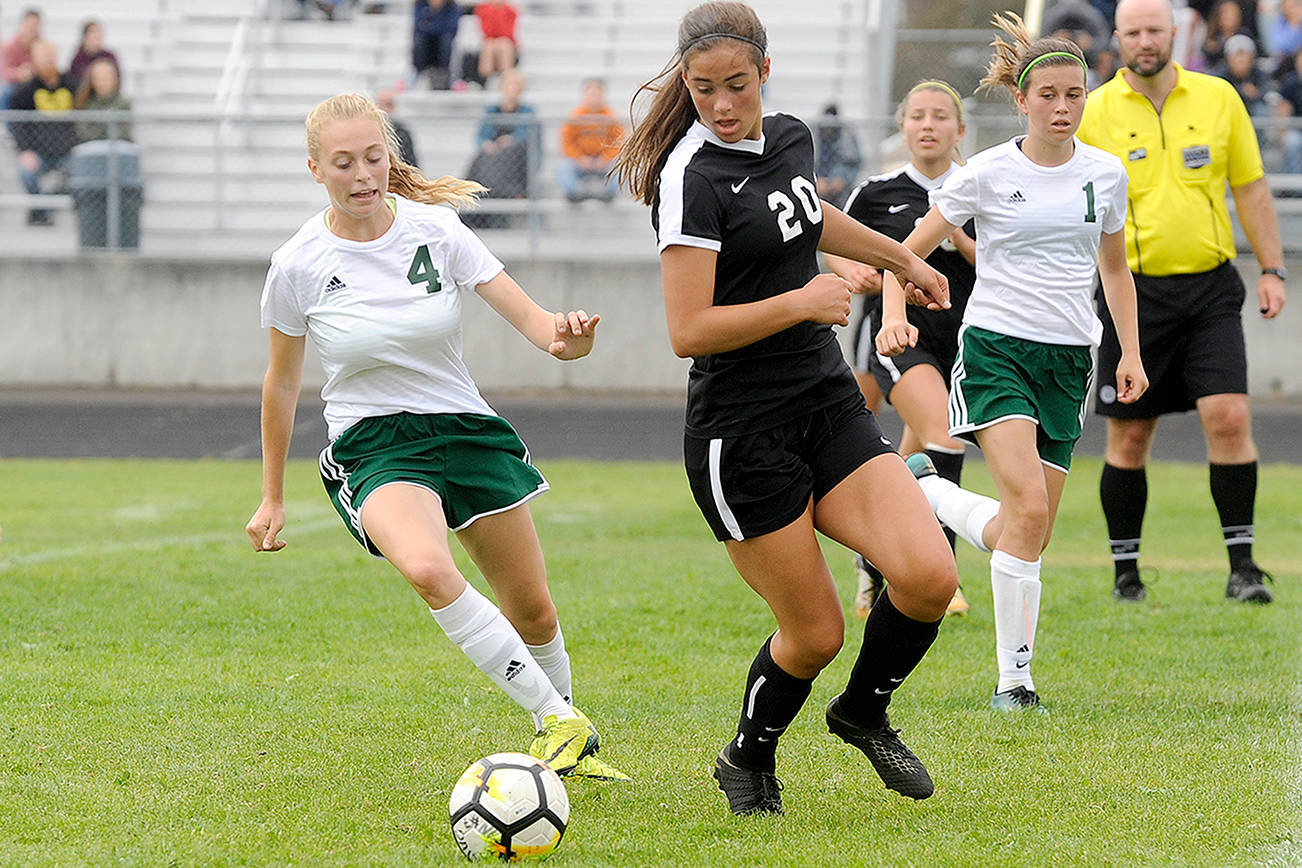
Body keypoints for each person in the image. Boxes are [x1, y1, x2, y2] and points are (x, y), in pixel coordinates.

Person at [615, 1, 958, 815]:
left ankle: (862, 711)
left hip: (825, 402)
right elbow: (689, 330)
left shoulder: (792, 137)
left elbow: (807, 213)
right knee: (816, 634)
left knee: (928, 577)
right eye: (703, 89)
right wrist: (803, 302)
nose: (721, 104)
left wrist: (902, 259)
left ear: (765, 71)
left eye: (737, 84)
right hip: (742, 436)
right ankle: (747, 759)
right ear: (685, 83)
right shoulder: (690, 179)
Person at [246, 92, 627, 782]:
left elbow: (540, 326)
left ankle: (567, 750)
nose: (363, 174)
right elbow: (281, 382)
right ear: (315, 169)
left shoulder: (437, 229)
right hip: (376, 446)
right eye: (343, 163)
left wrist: (569, 341)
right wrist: (271, 496)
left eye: (373, 157)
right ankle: (560, 719)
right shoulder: (297, 263)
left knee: (534, 611)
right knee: (427, 569)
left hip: (464, 429)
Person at [877, 13, 1147, 712]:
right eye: (1048, 95)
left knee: (1030, 530)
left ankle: (931, 494)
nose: (1062, 107)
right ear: (1021, 100)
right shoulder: (989, 172)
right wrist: (895, 311)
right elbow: (904, 252)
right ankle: (1014, 683)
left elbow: (1115, 270)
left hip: (1072, 360)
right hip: (996, 349)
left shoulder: (1106, 174)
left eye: (1074, 95)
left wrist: (1129, 352)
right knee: (1026, 507)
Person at [1077, 0, 1286, 604]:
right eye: (1133, 32)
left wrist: (1272, 269)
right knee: (1130, 437)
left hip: (1211, 289)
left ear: (1176, 33)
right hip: (1132, 296)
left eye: (1155, 30)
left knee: (1230, 417)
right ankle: (1126, 576)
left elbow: (1251, 187)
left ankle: (1244, 571)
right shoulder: (1094, 112)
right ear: (1118, 38)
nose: (1145, 40)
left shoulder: (1219, 97)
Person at [826, 80, 977, 621]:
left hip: (968, 341)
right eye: (917, 116)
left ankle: (875, 564)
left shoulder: (981, 188)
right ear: (902, 127)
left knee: (909, 467)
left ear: (960, 130)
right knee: (943, 435)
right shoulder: (876, 191)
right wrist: (854, 272)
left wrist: (959, 240)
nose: (928, 125)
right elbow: (831, 243)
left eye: (940, 116)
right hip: (899, 337)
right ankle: (943, 578)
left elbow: (1003, 264)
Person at [9, 39, 77, 226]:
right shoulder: (26, 89)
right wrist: (25, 150)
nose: (48, 60)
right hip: (38, 152)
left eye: (51, 56)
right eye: (44, 57)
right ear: (34, 60)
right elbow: (17, 123)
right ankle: (42, 208)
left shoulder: (72, 84)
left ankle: (41, 208)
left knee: (81, 171)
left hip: (66, 151)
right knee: (26, 173)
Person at [464, 68, 538, 226]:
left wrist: (510, 140)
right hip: (492, 161)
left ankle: (489, 196)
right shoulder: (492, 110)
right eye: (509, 86)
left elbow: (527, 137)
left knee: (507, 153)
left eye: (516, 87)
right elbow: (482, 136)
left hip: (515, 164)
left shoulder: (528, 112)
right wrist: (487, 144)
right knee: (484, 157)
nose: (512, 90)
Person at [557, 78, 624, 203]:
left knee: (620, 168)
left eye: (597, 93)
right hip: (580, 161)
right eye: (590, 93)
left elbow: (619, 142)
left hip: (604, 161)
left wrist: (605, 158)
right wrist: (580, 158)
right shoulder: (575, 116)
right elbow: (566, 143)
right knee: (563, 168)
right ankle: (574, 194)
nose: (594, 97)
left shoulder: (611, 116)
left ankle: (608, 195)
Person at [812, 102, 861, 208]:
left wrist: (842, 179)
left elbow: (854, 162)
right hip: (818, 185)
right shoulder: (813, 134)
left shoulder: (846, 136)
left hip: (841, 190)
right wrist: (815, 180)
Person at [73, 57, 131, 143]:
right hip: (92, 146)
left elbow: (124, 132)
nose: (104, 80)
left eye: (107, 76)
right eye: (99, 76)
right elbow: (83, 133)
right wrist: (108, 128)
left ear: (115, 78)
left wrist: (100, 128)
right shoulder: (85, 103)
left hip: (119, 146)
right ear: (92, 80)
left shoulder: (124, 103)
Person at [412, 0, 460, 89]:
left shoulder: (452, 7)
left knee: (445, 41)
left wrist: (429, 26)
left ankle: (443, 73)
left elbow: (452, 29)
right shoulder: (420, 5)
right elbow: (418, 28)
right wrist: (438, 27)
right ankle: (419, 72)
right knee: (420, 41)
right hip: (426, 43)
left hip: (442, 43)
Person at [1, 7, 42, 110]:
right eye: (30, 24)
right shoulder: (9, 46)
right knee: (6, 93)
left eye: (36, 24)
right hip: (15, 85)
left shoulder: (42, 45)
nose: (33, 28)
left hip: (36, 84)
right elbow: (4, 72)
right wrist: (19, 74)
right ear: (23, 24)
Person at [473, 0, 518, 81]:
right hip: (491, 42)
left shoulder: (510, 11)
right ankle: (485, 79)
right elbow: (487, 31)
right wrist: (493, 10)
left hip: (505, 42)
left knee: (503, 45)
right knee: (489, 46)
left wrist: (499, 10)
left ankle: (506, 78)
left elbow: (507, 32)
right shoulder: (483, 9)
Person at [68, 19, 119, 88]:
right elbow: (72, 81)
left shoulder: (109, 56)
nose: (96, 38)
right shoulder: (78, 59)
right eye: (93, 34)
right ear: (85, 37)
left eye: (98, 34)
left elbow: (117, 78)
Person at [375, 87, 417, 166]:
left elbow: (412, 164)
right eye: (382, 104)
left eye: (389, 104)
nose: (385, 109)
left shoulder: (403, 133)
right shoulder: (368, 132)